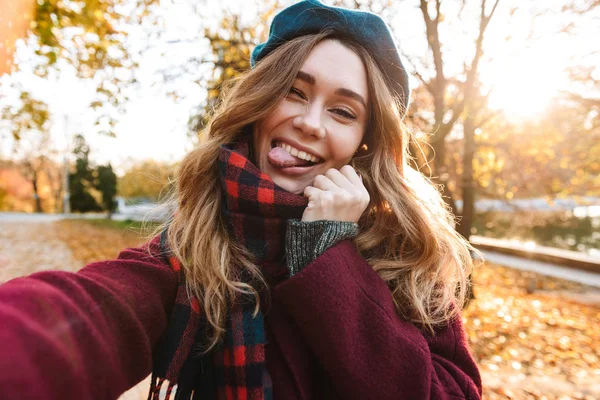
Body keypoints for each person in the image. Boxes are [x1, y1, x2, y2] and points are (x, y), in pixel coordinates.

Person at [0, 1, 482, 399]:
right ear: (258, 104)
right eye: (293, 92)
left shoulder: (407, 256)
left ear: (365, 140)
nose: (311, 123)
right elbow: (97, 310)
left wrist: (330, 252)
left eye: (341, 111)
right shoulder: (194, 243)